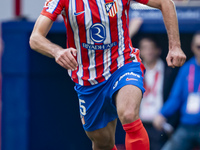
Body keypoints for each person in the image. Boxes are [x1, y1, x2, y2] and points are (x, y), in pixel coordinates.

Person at [29, 0, 186, 149]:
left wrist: (175, 46)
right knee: (102, 143)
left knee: (129, 114)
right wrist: (57, 51)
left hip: (122, 64)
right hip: (88, 79)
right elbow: (35, 38)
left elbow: (165, 2)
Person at [153, 32, 200, 150]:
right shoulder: (187, 68)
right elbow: (176, 97)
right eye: (199, 47)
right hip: (187, 126)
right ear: (192, 47)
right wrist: (162, 114)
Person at [139, 37, 178, 150]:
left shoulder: (169, 71)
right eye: (145, 48)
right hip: (140, 125)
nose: (148, 51)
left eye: (152, 48)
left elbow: (175, 97)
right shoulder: (136, 72)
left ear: (158, 50)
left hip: (160, 125)